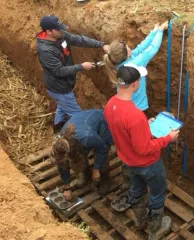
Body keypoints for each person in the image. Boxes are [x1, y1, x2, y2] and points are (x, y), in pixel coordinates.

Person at [104, 65, 179, 239]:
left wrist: (146, 124)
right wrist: (168, 138)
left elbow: (124, 130)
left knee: (137, 189)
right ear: (135, 84)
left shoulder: (111, 105)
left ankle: (140, 222)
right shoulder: (135, 115)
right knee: (158, 192)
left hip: (128, 161)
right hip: (148, 164)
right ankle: (155, 229)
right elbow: (144, 148)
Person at [36, 15, 109, 133]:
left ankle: (58, 130)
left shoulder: (60, 35)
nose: (62, 31)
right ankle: (80, 138)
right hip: (59, 89)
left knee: (62, 108)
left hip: (65, 85)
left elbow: (79, 40)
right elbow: (59, 71)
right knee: (79, 117)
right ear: (49, 32)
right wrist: (81, 66)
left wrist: (102, 45)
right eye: (58, 29)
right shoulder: (45, 51)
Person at [103, 21, 168, 112]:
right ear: (126, 54)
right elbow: (152, 49)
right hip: (136, 107)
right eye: (127, 47)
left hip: (127, 103)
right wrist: (161, 31)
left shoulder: (119, 61)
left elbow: (141, 48)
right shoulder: (133, 65)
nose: (129, 47)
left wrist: (154, 31)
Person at [50, 109, 113, 201]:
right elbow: (62, 165)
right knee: (79, 157)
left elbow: (102, 149)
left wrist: (96, 169)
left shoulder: (87, 138)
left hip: (102, 123)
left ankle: (105, 179)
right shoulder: (60, 146)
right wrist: (67, 187)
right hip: (82, 131)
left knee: (101, 159)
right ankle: (86, 175)